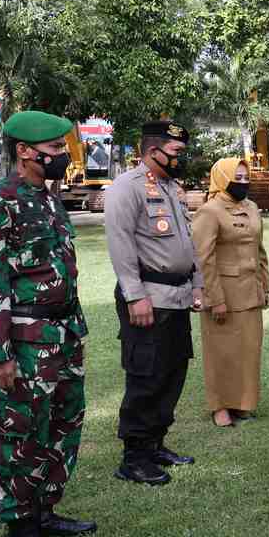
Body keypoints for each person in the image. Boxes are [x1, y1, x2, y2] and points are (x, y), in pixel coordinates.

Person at [0, 111, 95, 537]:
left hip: (63, 335)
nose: (64, 155)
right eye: (57, 150)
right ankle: (19, 531)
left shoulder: (48, 200)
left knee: (64, 423)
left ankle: (45, 510)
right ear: (25, 152)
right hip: (23, 341)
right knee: (20, 431)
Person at [106, 120, 202, 486]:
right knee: (146, 378)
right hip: (148, 297)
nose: (181, 158)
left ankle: (156, 444)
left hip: (177, 297)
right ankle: (133, 458)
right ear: (153, 151)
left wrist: (197, 285)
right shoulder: (125, 188)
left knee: (173, 373)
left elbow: (188, 245)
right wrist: (135, 296)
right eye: (176, 152)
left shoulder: (173, 189)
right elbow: (121, 245)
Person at [193, 158, 269, 428]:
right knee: (221, 353)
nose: (242, 182)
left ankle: (242, 403)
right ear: (222, 177)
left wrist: (266, 286)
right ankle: (219, 407)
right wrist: (214, 299)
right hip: (223, 295)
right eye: (236, 177)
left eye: (244, 176)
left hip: (251, 292)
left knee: (248, 352)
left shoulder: (251, 207)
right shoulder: (210, 211)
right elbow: (204, 259)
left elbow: (259, 251)